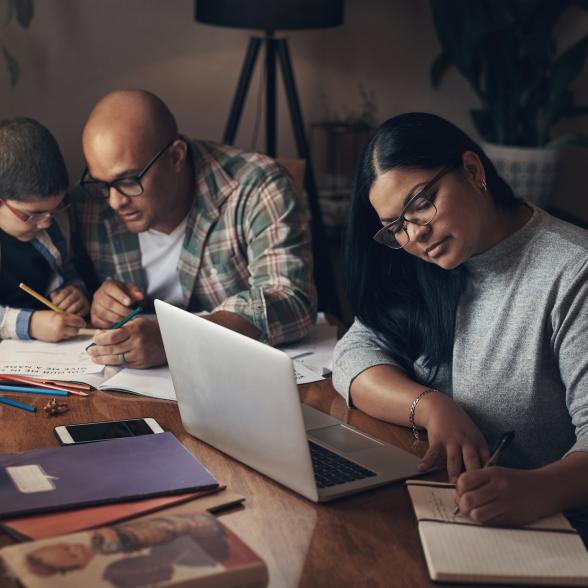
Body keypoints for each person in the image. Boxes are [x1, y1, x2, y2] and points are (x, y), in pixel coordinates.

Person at [332, 112, 588, 532]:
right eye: (395, 226)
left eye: (419, 204)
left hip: (553, 526)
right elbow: (354, 352)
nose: (413, 236)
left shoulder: (572, 272)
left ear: (471, 170)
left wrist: (538, 489)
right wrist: (431, 407)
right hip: (444, 505)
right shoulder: (426, 262)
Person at [73, 89, 316, 369]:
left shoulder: (257, 185)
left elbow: (292, 300)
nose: (114, 201)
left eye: (128, 180)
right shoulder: (89, 202)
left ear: (176, 156)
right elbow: (70, 289)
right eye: (102, 184)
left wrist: (177, 339)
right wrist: (98, 304)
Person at [0, 118, 89, 341]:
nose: (46, 223)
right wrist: (29, 325)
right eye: (32, 215)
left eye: (55, 208)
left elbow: (67, 269)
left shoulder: (54, 224)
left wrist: (74, 293)